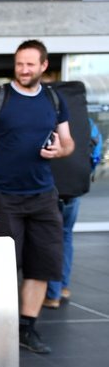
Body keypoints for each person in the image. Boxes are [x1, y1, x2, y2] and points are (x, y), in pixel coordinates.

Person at [0, 39, 74, 354]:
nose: (23, 70)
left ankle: (28, 328)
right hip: (4, 196)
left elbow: (68, 143)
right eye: (19, 64)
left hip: (43, 196)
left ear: (43, 66)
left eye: (29, 64)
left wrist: (58, 150)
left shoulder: (54, 99)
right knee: (2, 269)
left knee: (42, 266)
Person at [45, 116, 102, 309]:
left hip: (49, 188)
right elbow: (96, 151)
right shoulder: (87, 122)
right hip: (73, 188)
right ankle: (63, 286)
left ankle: (52, 294)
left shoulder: (45, 117)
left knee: (49, 238)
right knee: (66, 235)